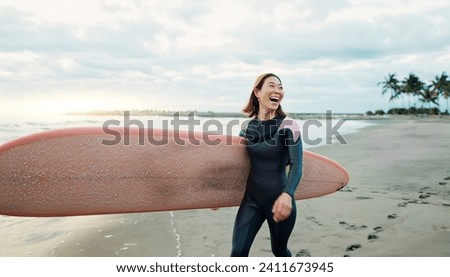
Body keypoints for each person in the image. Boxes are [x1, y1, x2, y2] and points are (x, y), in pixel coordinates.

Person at [231, 73, 303, 257]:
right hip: (251, 202)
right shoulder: (246, 128)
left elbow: (296, 165)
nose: (277, 91)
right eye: (272, 86)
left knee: (279, 250)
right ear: (257, 92)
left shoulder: (289, 126)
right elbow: (237, 166)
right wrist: (218, 193)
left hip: (280, 201)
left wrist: (288, 195)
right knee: (238, 252)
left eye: (280, 87)